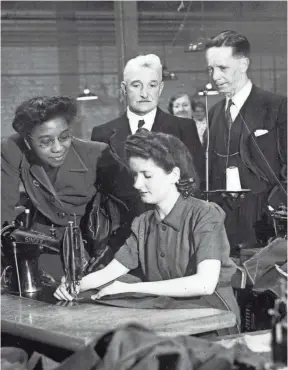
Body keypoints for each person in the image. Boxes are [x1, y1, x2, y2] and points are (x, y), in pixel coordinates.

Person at [54, 130, 240, 330]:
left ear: (174, 175)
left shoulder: (204, 214)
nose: (137, 184)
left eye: (147, 175)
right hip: (171, 310)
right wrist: (73, 286)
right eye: (135, 175)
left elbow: (204, 284)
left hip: (214, 316)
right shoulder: (143, 222)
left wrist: (131, 288)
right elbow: (110, 272)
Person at [91, 54, 205, 254]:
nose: (145, 93)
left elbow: (195, 183)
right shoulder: (102, 133)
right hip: (121, 240)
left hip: (174, 238)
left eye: (152, 85)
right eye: (136, 85)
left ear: (160, 89)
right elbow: (101, 190)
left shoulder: (183, 128)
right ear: (124, 89)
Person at [1, 96, 108, 280]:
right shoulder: (13, 150)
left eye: (64, 137)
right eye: (45, 142)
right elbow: (4, 210)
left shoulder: (98, 154)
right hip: (43, 245)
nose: (58, 148)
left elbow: (129, 210)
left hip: (93, 246)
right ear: (27, 141)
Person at [205, 30, 287, 253]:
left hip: (267, 227)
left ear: (243, 64)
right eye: (211, 69)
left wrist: (275, 206)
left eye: (222, 68)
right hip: (222, 229)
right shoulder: (213, 114)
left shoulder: (278, 106)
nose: (215, 77)